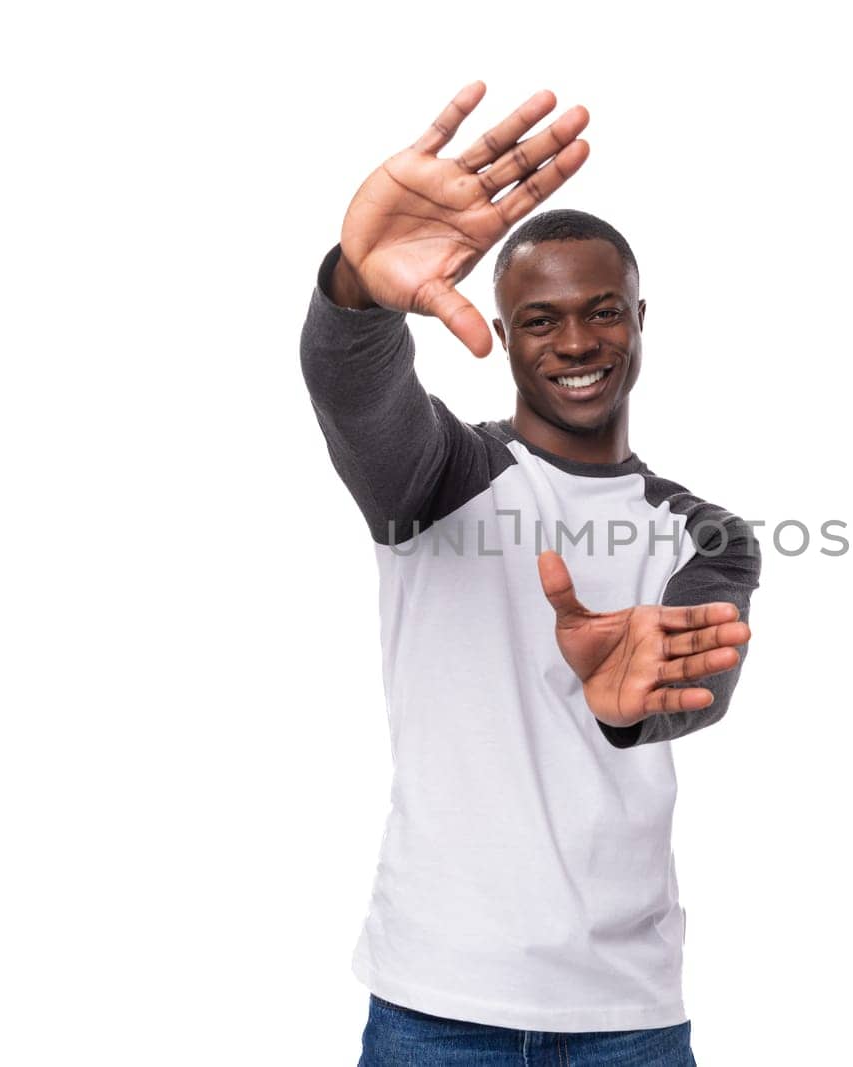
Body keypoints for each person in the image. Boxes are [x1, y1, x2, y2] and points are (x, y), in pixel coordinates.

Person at [298, 81, 762, 1065]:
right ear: (504, 338)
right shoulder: (439, 476)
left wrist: (636, 702)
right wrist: (355, 289)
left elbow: (696, 679)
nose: (579, 342)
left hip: (625, 1016)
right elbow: (354, 390)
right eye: (543, 321)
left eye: (602, 312)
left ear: (641, 319)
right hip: (435, 1002)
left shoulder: (706, 533)